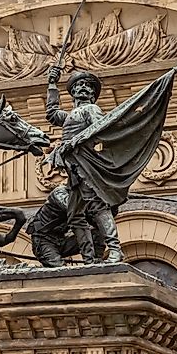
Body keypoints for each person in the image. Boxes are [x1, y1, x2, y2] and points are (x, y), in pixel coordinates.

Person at [45, 66, 122, 263]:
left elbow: (100, 130)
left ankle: (115, 249)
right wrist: (52, 84)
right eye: (79, 85)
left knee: (97, 208)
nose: (83, 88)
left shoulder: (91, 109)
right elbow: (52, 114)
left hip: (86, 166)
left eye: (88, 87)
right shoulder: (72, 114)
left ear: (93, 95)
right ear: (72, 92)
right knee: (74, 215)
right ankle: (89, 259)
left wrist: (74, 142)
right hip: (74, 172)